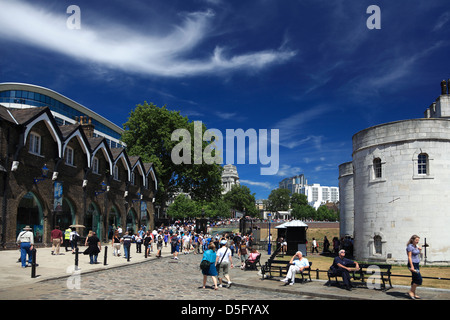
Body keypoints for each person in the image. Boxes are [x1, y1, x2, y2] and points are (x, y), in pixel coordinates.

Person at [406, 235, 423, 299]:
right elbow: (409, 257)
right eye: (416, 240)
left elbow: (417, 254)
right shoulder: (410, 247)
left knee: (415, 279)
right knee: (419, 279)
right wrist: (412, 266)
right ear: (412, 240)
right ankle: (411, 291)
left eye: (418, 240)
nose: (417, 242)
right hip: (412, 264)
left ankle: (413, 293)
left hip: (416, 264)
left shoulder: (416, 246)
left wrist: (420, 250)